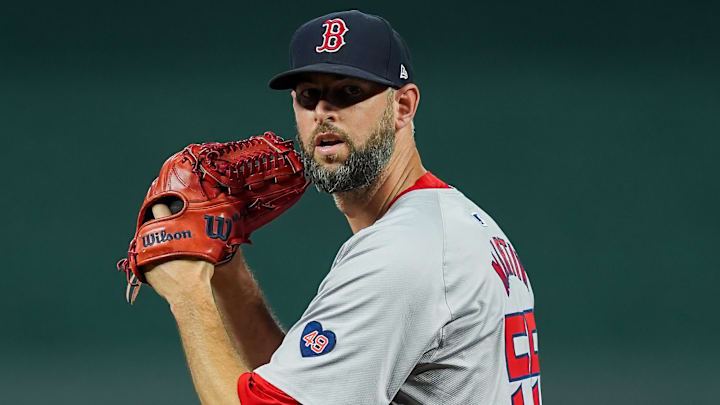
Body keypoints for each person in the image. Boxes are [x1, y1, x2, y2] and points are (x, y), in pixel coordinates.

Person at [144, 10, 541, 405]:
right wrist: (227, 268)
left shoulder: (402, 252)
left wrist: (188, 295)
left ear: (403, 106)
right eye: (307, 95)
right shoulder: (448, 223)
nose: (323, 111)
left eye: (349, 92)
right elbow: (308, 386)